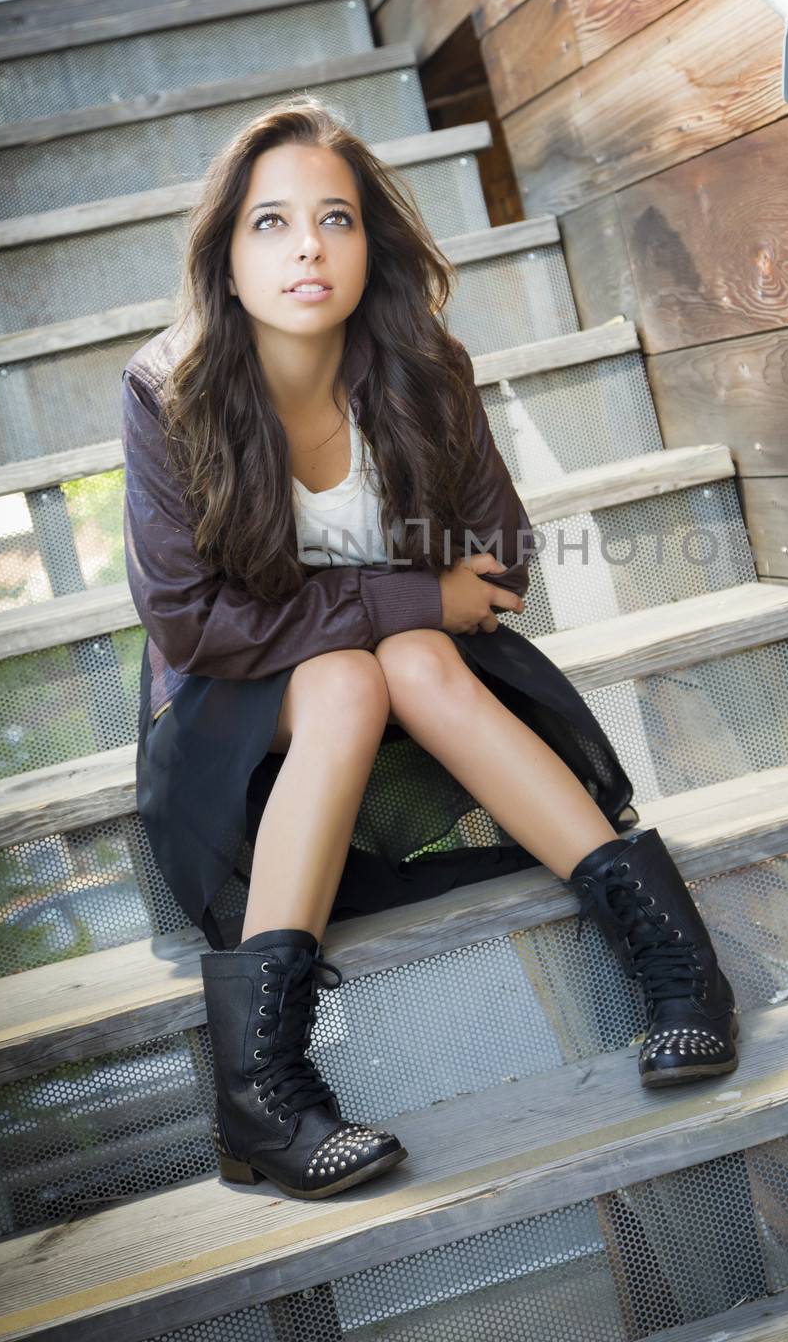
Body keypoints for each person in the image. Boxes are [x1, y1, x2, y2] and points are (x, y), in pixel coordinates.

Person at [121, 96, 738, 1203]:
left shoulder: (420, 364)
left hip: (426, 686)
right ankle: (262, 1088)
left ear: (370, 246)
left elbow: (497, 566)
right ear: (224, 253)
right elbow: (193, 624)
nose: (307, 244)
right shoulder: (168, 393)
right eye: (270, 222)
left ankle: (676, 967)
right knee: (361, 672)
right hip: (232, 727)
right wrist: (407, 594)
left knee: (403, 664)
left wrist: (399, 607)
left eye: (336, 219)